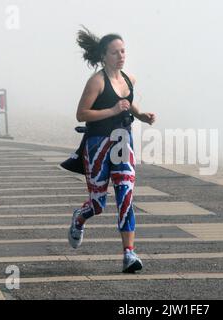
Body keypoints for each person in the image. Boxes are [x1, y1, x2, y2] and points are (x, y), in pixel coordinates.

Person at [68, 27, 156, 273]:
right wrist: (113, 111)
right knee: (98, 203)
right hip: (97, 145)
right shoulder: (96, 81)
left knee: (125, 195)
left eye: (123, 51)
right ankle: (79, 217)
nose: (121, 56)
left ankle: (129, 254)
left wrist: (141, 115)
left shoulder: (129, 79)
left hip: (122, 142)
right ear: (104, 56)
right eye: (115, 52)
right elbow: (82, 113)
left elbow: (128, 101)